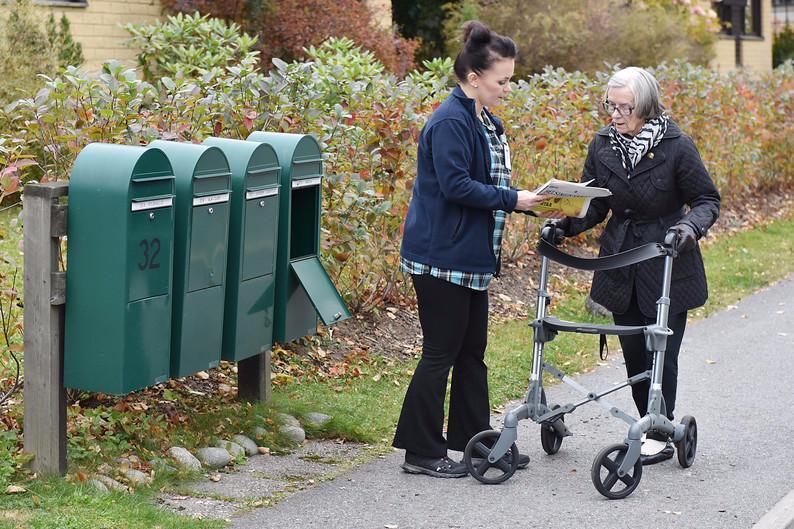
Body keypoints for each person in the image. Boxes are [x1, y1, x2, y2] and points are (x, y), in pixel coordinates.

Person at [392, 20, 556, 478]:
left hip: (470, 257)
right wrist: (514, 199)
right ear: (472, 78)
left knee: (471, 354)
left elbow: (492, 185)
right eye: (502, 80)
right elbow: (457, 186)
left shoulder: (485, 120)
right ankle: (421, 452)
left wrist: (535, 204)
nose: (508, 87)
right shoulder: (448, 122)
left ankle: (476, 443)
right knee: (441, 352)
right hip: (440, 258)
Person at [552, 66, 720, 464]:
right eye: (610, 105)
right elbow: (594, 203)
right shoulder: (603, 144)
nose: (615, 114)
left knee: (663, 352)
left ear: (645, 107)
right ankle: (649, 423)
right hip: (620, 262)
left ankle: (661, 428)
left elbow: (707, 201)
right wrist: (563, 223)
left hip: (667, 261)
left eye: (624, 107)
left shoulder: (677, 145)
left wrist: (687, 228)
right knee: (633, 355)